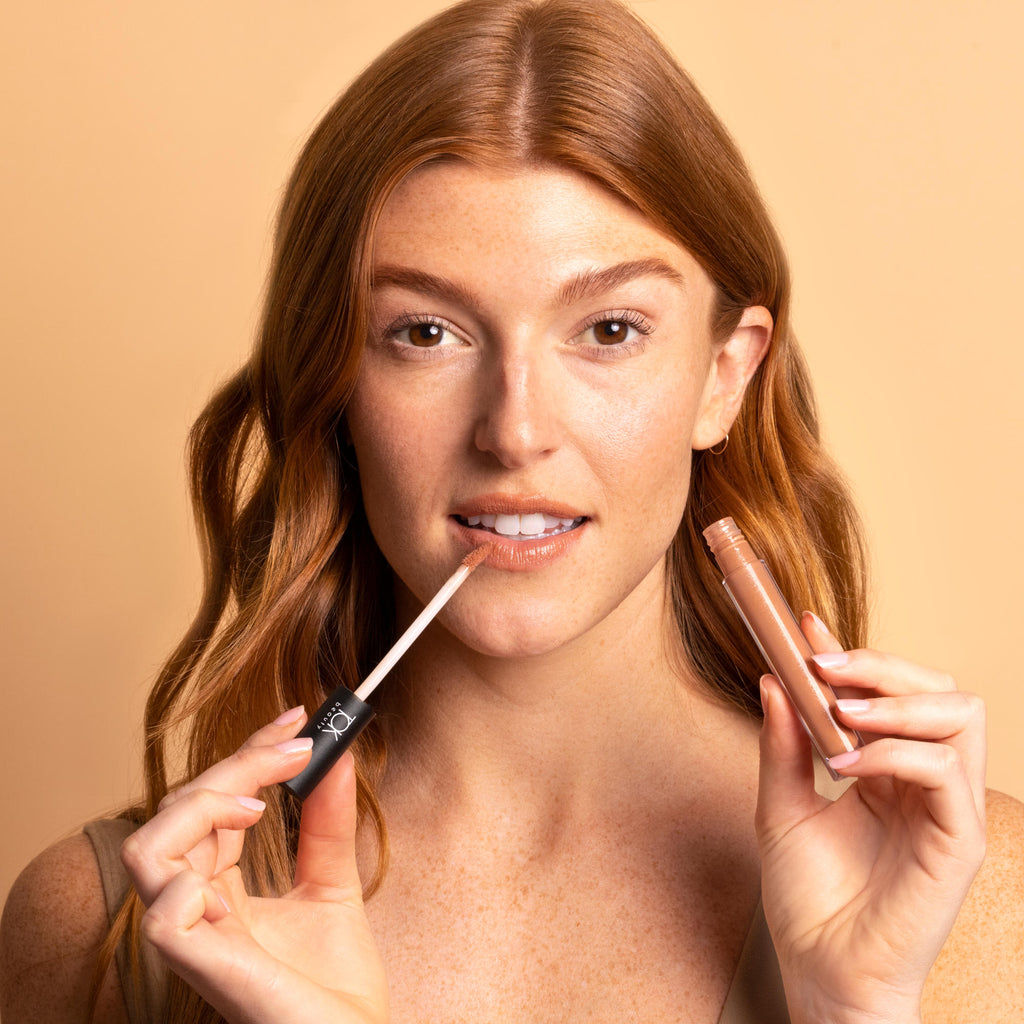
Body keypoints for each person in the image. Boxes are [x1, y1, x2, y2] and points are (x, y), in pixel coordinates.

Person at [2, 0, 1021, 1021]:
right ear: (335, 381)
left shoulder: (970, 902)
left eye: (609, 329)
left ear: (723, 376)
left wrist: (856, 1010)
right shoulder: (102, 930)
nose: (515, 430)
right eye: (425, 333)